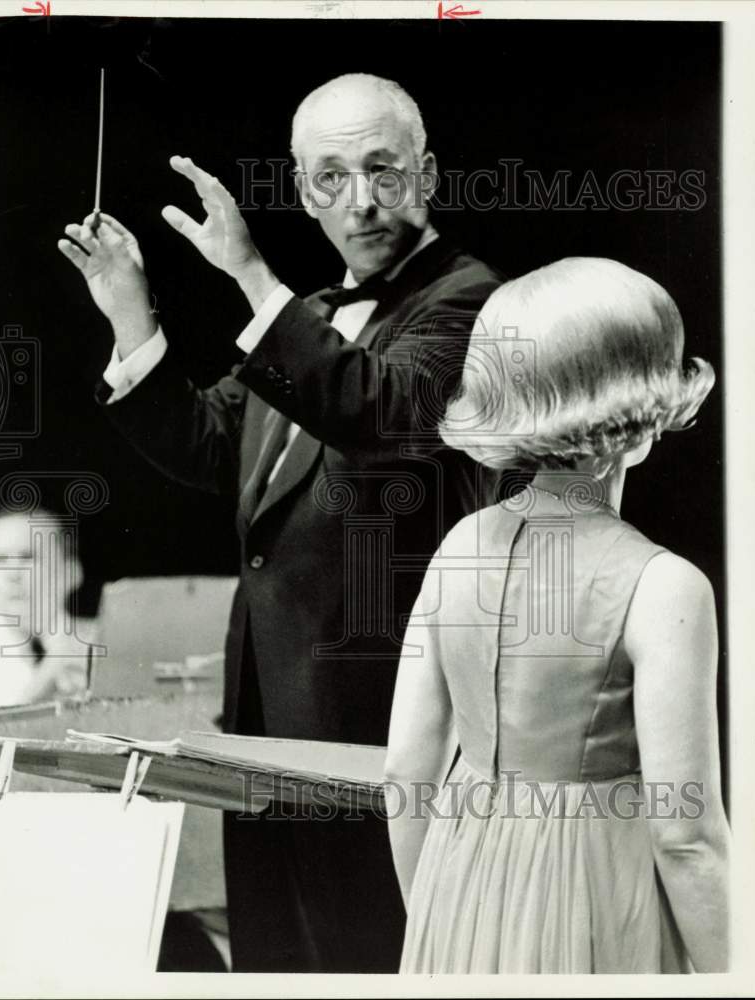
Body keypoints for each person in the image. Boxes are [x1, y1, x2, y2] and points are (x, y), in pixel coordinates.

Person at [58, 73, 504, 971]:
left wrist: (252, 276)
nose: (363, 201)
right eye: (331, 178)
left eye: (384, 170)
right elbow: (215, 444)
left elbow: (371, 410)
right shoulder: (314, 321)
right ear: (303, 191)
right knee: (275, 958)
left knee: (374, 957)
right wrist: (129, 310)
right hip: (267, 717)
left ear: (426, 174)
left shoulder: (469, 299)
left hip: (383, 727)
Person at [384, 257, 730, 973]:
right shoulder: (664, 586)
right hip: (598, 900)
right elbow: (685, 837)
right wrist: (735, 975)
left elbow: (407, 775)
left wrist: (439, 925)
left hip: (459, 890)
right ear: (642, 416)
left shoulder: (458, 548)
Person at [0, 507, 91, 708]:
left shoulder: (103, 642)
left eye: (28, 557)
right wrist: (54, 668)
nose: (12, 574)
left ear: (72, 572)